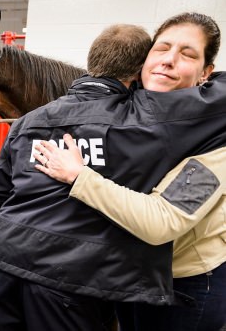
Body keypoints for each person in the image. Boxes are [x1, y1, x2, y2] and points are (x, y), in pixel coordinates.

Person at [0, 15, 226, 331]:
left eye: (187, 54)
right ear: (139, 68)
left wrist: (14, 241)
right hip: (78, 282)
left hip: (5, 270)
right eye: (162, 49)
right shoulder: (143, 122)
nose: (169, 62)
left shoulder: (29, 121)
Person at [35, 135, 225, 331]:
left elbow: (162, 220)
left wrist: (79, 176)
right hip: (134, 269)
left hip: (184, 279)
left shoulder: (217, 146)